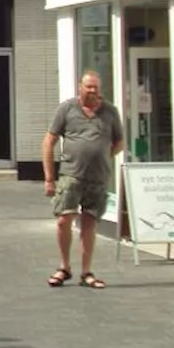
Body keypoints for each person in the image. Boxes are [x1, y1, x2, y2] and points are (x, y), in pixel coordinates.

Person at [42, 71, 124, 289]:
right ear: (80, 87)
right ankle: (64, 267)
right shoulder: (67, 109)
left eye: (96, 87)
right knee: (64, 220)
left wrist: (104, 157)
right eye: (89, 87)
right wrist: (49, 178)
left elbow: (119, 142)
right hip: (71, 175)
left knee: (89, 223)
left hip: (98, 178)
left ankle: (86, 272)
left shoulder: (110, 112)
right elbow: (49, 141)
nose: (93, 91)